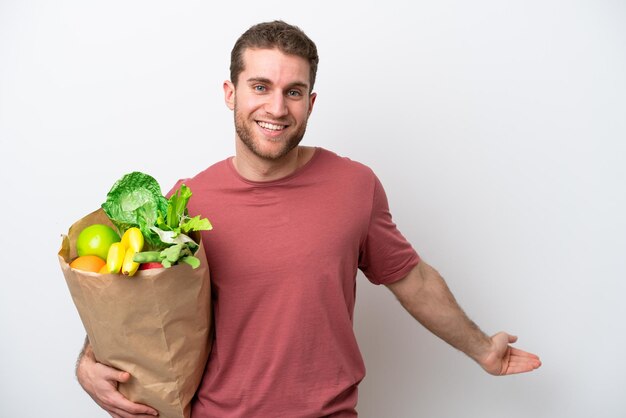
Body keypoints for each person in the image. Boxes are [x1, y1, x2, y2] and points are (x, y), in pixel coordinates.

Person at [76, 20, 541, 418]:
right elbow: (135, 298)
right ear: (229, 93)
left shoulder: (355, 186)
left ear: (311, 102)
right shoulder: (185, 203)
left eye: (292, 92)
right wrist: (87, 361)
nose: (277, 108)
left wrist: (483, 349)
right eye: (260, 87)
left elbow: (412, 279)